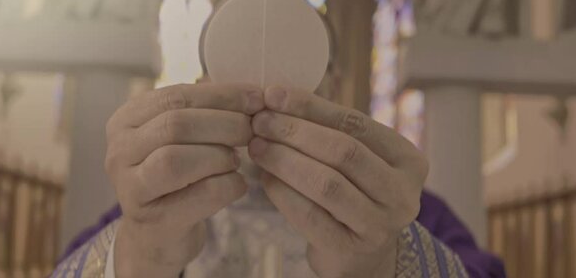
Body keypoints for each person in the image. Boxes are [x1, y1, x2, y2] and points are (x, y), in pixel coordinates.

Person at [52, 83, 505, 277]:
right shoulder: (155, 203)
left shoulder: (401, 210)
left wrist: (387, 264)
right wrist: (141, 259)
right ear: (199, 89)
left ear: (335, 90)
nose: (264, 101)